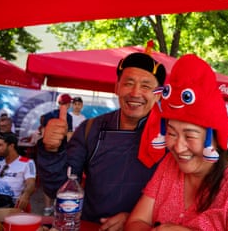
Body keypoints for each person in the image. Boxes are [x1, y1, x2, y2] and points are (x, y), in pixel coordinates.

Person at [125, 54, 228, 230]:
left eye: (190, 136)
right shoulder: (170, 165)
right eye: (172, 133)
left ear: (216, 138)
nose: (178, 147)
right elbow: (135, 222)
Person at [37, 52, 166, 229]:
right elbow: (58, 188)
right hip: (92, 226)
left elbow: (183, 200)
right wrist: (51, 151)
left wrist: (138, 220)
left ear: (158, 94)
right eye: (128, 83)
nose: (135, 93)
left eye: (146, 86)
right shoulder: (90, 129)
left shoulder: (171, 136)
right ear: (117, 87)